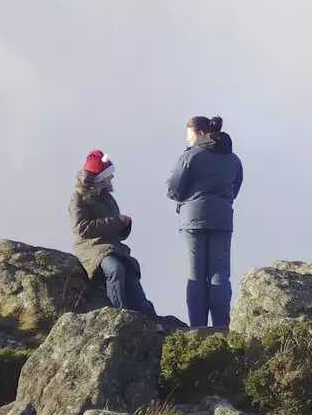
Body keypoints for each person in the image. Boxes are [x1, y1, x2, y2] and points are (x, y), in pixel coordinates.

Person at [166, 115, 243, 328]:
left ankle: (197, 329)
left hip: (193, 220)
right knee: (220, 275)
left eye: (189, 135)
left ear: (200, 134)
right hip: (222, 220)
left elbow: (173, 189)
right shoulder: (233, 159)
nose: (187, 140)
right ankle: (221, 327)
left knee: (196, 275)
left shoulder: (191, 156)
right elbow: (234, 188)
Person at [69, 150, 155, 316]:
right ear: (100, 178)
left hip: (111, 246)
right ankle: (118, 314)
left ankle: (149, 318)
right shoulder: (78, 199)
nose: (112, 178)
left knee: (130, 274)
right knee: (115, 270)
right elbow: (81, 228)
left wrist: (124, 226)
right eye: (109, 175)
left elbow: (113, 230)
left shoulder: (107, 198)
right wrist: (116, 221)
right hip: (90, 247)